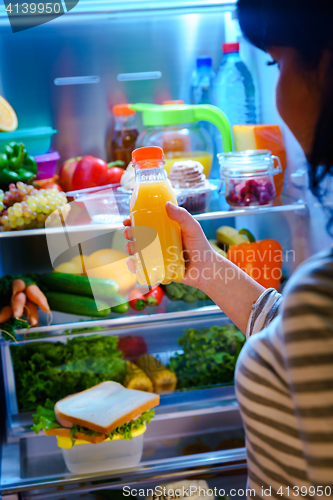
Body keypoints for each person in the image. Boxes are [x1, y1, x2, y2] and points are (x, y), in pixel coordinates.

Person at [123, 0, 333, 495]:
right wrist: (207, 268)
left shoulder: (321, 290)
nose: (277, 91)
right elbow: (290, 334)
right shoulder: (315, 304)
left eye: (277, 65)